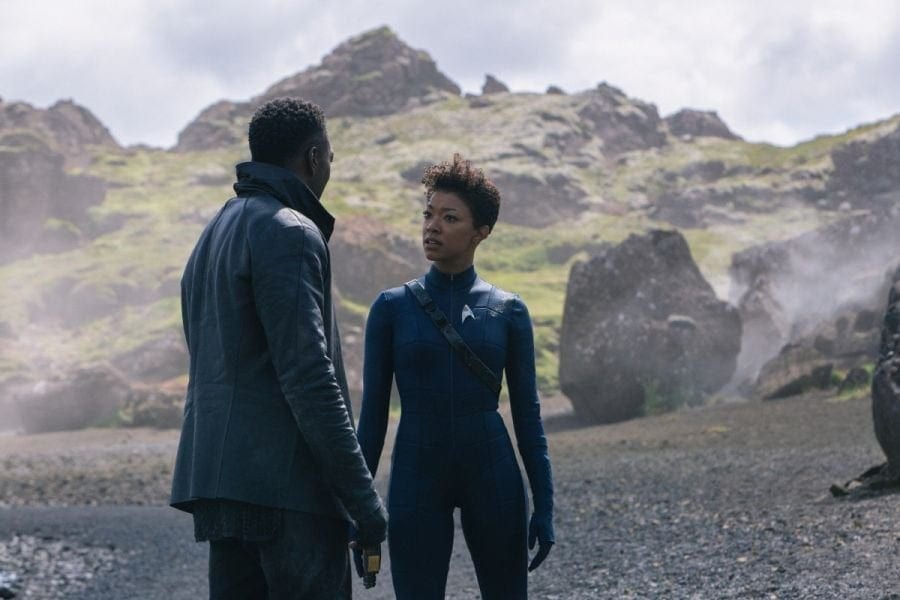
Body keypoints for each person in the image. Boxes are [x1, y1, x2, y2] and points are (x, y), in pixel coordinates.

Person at [170, 97, 387, 599]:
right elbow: (308, 375)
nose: (329, 167)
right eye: (329, 157)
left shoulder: (212, 234)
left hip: (219, 489)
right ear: (313, 158)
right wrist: (363, 501)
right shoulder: (290, 231)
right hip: (288, 491)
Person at [356, 154, 555, 599]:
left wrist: (545, 506)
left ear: (481, 231)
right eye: (428, 214)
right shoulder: (391, 309)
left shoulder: (508, 311)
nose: (432, 227)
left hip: (492, 471)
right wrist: (359, 507)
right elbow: (371, 419)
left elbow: (528, 418)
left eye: (449, 218)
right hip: (416, 472)